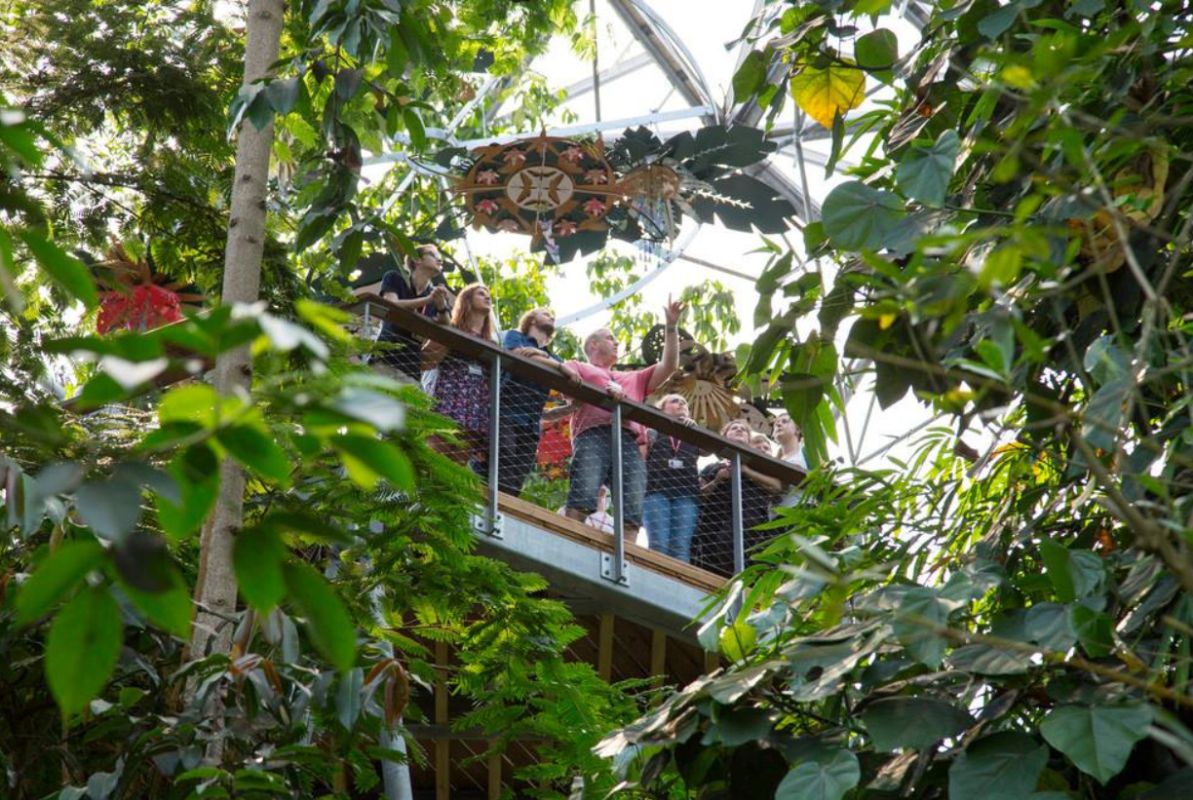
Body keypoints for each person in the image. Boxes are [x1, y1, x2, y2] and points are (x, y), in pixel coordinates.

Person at [562, 296, 685, 535]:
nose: (617, 342)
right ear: (593, 345)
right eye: (610, 338)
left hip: (628, 440)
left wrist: (671, 327)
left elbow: (669, 366)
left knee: (632, 505)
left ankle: (627, 553)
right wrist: (602, 392)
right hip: (592, 434)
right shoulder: (579, 366)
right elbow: (566, 382)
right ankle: (570, 540)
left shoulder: (634, 377)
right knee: (583, 493)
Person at [498, 308, 581, 496]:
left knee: (518, 475)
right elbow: (517, 353)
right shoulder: (515, 336)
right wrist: (556, 365)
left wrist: (540, 356)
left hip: (531, 424)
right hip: (506, 412)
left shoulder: (554, 357)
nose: (551, 317)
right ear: (532, 320)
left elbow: (562, 371)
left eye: (552, 316)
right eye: (546, 314)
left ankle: (503, 507)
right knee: (504, 458)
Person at [691, 419, 783, 576]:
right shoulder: (713, 467)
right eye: (734, 428)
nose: (739, 430)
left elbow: (776, 487)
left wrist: (746, 471)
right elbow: (699, 495)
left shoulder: (757, 467)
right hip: (713, 522)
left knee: (731, 550)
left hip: (749, 522)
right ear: (725, 435)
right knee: (712, 556)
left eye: (744, 430)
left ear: (749, 440)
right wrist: (717, 480)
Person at [425, 284, 496, 463]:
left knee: (457, 465)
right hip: (449, 394)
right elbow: (426, 358)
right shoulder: (453, 327)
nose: (487, 297)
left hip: (475, 404)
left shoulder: (492, 343)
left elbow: (491, 381)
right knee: (433, 455)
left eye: (488, 294)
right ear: (467, 300)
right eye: (481, 294)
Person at [375, 244, 453, 381]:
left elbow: (446, 325)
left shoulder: (436, 295)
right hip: (384, 359)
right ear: (417, 259)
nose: (440, 260)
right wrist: (428, 300)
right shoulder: (395, 277)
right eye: (433, 255)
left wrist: (441, 306)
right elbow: (391, 303)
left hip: (411, 368)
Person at [641, 394, 700, 562]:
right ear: (662, 409)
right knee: (658, 544)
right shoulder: (652, 431)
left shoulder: (694, 434)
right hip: (655, 491)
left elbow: (709, 451)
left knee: (680, 547)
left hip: (687, 494)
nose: (681, 404)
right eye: (675, 401)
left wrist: (696, 430)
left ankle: (679, 579)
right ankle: (655, 576)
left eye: (684, 403)